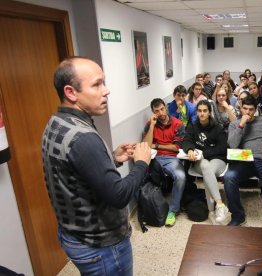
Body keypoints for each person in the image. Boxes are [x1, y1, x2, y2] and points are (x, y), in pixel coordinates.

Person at [42, 57, 152, 275]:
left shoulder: (56, 122)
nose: (106, 90)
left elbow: (74, 170)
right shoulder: (84, 139)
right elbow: (119, 195)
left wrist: (112, 158)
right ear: (71, 93)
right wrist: (141, 164)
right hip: (101, 245)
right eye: (97, 84)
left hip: (74, 235)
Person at [224, 95, 262, 228]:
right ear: (241, 108)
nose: (247, 112)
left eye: (251, 109)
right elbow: (232, 145)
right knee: (228, 177)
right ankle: (237, 216)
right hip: (244, 160)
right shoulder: (234, 124)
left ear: (255, 109)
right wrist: (241, 125)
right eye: (245, 109)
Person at [182, 100, 230, 224]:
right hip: (200, 162)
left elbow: (223, 148)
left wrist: (204, 153)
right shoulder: (192, 126)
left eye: (205, 111)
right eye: (199, 111)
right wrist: (190, 150)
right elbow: (186, 141)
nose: (202, 113)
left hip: (218, 160)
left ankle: (211, 211)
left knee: (206, 168)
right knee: (205, 166)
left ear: (209, 112)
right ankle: (220, 205)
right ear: (197, 112)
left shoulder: (217, 127)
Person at [143, 98, 186, 226]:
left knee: (181, 176)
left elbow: (176, 147)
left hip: (171, 158)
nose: (161, 113)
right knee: (140, 174)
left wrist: (156, 146)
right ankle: (148, 208)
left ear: (166, 107)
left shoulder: (178, 124)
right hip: (153, 158)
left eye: (162, 109)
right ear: (153, 112)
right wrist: (152, 125)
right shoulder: (150, 123)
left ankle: (173, 210)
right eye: (157, 111)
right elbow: (146, 145)